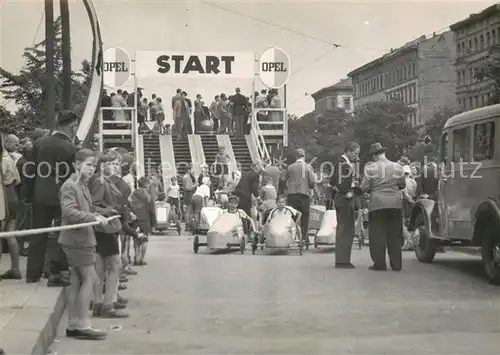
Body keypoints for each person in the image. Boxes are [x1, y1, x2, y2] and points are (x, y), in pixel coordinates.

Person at [26, 110, 80, 286]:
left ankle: (32, 273)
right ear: (72, 126)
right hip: (62, 195)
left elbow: (30, 171)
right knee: (60, 233)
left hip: (39, 194)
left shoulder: (39, 143)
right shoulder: (71, 148)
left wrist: (28, 194)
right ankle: (55, 272)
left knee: (37, 233)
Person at [59, 148, 108, 339]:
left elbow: (84, 207)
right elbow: (69, 212)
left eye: (94, 166)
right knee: (91, 278)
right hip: (77, 239)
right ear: (76, 165)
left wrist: (101, 212)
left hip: (80, 238)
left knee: (76, 280)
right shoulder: (70, 185)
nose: (91, 169)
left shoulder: (82, 184)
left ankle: (74, 324)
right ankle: (82, 323)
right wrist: (92, 216)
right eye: (88, 165)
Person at [89, 150, 129, 318]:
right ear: (103, 165)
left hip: (105, 227)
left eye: (117, 164)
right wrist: (109, 211)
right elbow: (93, 205)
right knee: (114, 266)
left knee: (100, 267)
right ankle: (107, 306)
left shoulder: (105, 181)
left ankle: (99, 303)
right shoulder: (101, 181)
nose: (116, 167)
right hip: (106, 228)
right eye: (113, 164)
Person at [360, 142, 406, 271]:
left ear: (374, 156)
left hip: (377, 204)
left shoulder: (370, 168)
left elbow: (364, 187)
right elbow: (402, 185)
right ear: (384, 153)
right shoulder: (398, 167)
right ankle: (396, 264)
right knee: (395, 235)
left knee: (377, 235)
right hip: (395, 204)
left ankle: (379, 264)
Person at [330, 142, 360, 269]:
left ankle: (342, 259)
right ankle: (343, 261)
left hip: (340, 199)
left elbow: (332, 181)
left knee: (344, 228)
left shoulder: (341, 163)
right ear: (348, 151)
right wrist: (349, 191)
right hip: (344, 200)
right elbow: (340, 182)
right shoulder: (343, 164)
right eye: (355, 153)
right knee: (346, 229)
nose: (356, 156)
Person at [282, 148, 316, 245]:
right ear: (304, 156)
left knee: (292, 216)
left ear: (296, 157)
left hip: (292, 195)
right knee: (305, 217)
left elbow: (283, 179)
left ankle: (292, 236)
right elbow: (313, 182)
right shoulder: (308, 167)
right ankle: (305, 238)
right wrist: (309, 186)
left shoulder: (290, 167)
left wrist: (286, 189)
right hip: (304, 194)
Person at [0, 143, 22, 279]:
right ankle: (15, 268)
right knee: (10, 235)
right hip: (12, 195)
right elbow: (18, 180)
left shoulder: (2, 161)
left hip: (3, 198)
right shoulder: (10, 159)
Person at [129, 177, 156, 266]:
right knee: (144, 240)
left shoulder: (132, 195)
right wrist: (153, 223)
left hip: (134, 220)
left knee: (136, 239)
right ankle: (142, 259)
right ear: (147, 185)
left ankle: (136, 259)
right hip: (145, 220)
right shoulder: (148, 196)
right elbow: (152, 211)